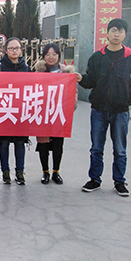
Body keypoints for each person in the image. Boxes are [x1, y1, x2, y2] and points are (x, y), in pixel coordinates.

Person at [77, 18, 131, 197]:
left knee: (120, 149)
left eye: (120, 31)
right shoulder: (97, 57)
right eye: (113, 30)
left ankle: (119, 182)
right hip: (99, 109)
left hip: (121, 111)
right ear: (107, 33)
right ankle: (94, 179)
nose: (116, 34)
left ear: (124, 34)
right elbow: (91, 80)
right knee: (96, 148)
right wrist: (81, 78)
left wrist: (129, 97)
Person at [34, 43, 77, 185]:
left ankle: (56, 172)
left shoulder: (67, 73)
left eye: (54, 54)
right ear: (43, 56)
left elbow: (73, 93)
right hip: (43, 115)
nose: (51, 57)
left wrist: (70, 107)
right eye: (47, 54)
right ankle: (45, 172)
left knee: (58, 145)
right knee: (43, 144)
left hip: (59, 114)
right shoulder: (38, 73)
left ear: (59, 56)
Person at [0, 37, 30, 185]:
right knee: (4, 142)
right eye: (11, 48)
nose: (14, 51)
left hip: (20, 110)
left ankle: (20, 172)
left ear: (21, 50)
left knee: (20, 142)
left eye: (17, 48)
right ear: (5, 51)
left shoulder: (26, 68)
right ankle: (5, 172)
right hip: (3, 109)